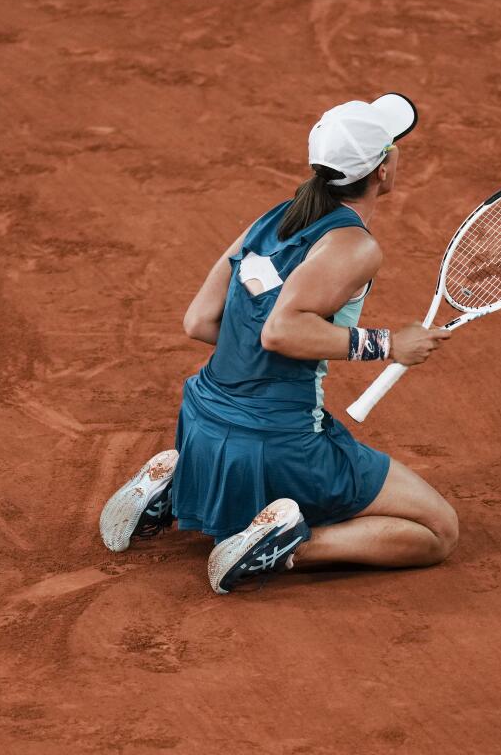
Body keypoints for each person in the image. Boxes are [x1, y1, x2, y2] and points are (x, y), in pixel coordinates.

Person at [99, 94, 458, 594]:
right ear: (383, 169)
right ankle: (285, 547)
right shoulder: (355, 245)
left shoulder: (272, 219)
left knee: (253, 449)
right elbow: (282, 331)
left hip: (200, 419)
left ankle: (182, 484)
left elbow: (199, 321)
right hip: (278, 444)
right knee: (437, 531)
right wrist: (390, 345)